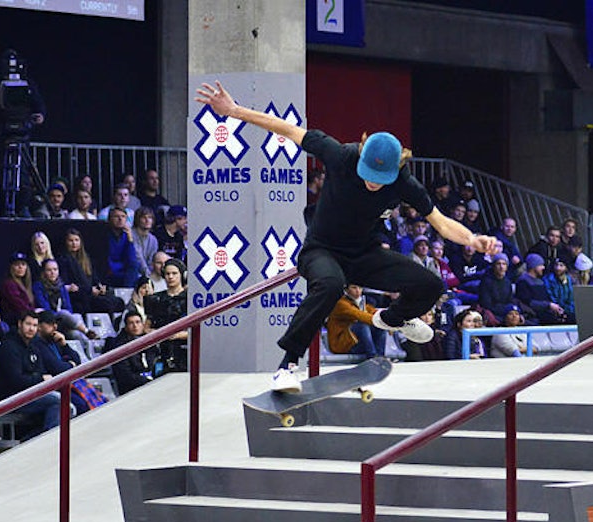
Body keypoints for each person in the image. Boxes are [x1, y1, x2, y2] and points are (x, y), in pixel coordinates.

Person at [195, 80, 499, 392]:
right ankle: (286, 366)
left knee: (431, 285)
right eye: (369, 177)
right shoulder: (340, 155)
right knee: (329, 285)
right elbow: (285, 128)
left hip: (364, 254)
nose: (374, 184)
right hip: (322, 251)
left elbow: (441, 221)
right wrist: (233, 111)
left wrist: (472, 240)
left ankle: (392, 318)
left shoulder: (405, 182)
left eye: (381, 181)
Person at [0, 311, 64, 439]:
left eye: (35, 325)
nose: (31, 328)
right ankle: (49, 443)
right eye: (28, 324)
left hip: (31, 394)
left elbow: (41, 372)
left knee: (68, 405)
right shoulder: (8, 347)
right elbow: (16, 381)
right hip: (11, 398)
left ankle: (31, 441)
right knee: (58, 402)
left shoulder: (33, 347)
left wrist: (40, 378)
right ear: (20, 324)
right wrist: (40, 379)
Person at [33, 309, 106, 414]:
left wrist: (64, 344)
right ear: (39, 326)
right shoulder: (38, 344)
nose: (55, 327)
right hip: (54, 386)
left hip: (67, 382)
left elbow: (77, 359)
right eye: (50, 323)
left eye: (55, 323)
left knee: (96, 399)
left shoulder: (55, 341)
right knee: (82, 405)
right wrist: (71, 365)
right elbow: (57, 368)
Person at [57, 226, 123, 315]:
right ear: (66, 242)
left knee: (119, 301)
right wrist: (90, 290)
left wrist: (100, 286)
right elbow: (70, 285)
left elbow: (94, 277)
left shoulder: (86, 258)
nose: (74, 243)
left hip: (92, 293)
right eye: (71, 240)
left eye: (76, 240)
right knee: (107, 304)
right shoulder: (63, 260)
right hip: (79, 296)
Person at [33, 258, 95, 340]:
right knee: (64, 313)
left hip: (64, 321)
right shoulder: (38, 286)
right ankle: (87, 331)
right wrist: (60, 315)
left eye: (55, 269)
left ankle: (89, 348)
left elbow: (69, 307)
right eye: (49, 270)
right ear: (44, 272)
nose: (53, 272)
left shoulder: (61, 286)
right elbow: (45, 308)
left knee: (76, 333)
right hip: (50, 321)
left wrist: (65, 319)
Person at [143, 258, 188, 372]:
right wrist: (158, 334)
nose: (170, 277)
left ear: (182, 275)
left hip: (185, 350)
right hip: (162, 350)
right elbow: (146, 327)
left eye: (174, 273)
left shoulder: (190, 298)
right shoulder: (156, 299)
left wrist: (179, 335)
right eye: (167, 274)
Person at [325, 284, 387, 359]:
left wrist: (387, 323)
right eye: (354, 288)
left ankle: (380, 357)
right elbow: (359, 315)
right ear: (346, 290)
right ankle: (372, 357)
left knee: (380, 326)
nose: (358, 291)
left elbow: (374, 312)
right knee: (362, 326)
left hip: (357, 343)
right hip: (343, 345)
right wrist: (383, 323)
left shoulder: (361, 302)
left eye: (360, 288)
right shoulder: (341, 303)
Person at [104, 312, 159, 394]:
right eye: (131, 323)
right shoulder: (120, 347)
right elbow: (125, 375)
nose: (135, 326)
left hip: (152, 383)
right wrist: (148, 381)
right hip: (132, 389)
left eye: (138, 322)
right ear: (125, 327)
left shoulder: (150, 343)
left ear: (142, 324)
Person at [515, 253, 566, 325]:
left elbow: (546, 299)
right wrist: (548, 305)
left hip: (545, 312)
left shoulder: (541, 281)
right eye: (541, 265)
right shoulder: (523, 281)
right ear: (534, 266)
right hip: (533, 315)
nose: (543, 267)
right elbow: (528, 302)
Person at [102, 207, 146, 288]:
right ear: (109, 219)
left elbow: (132, 259)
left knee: (135, 265)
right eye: (116, 216)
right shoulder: (103, 235)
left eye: (123, 216)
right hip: (109, 272)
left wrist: (130, 239)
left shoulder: (127, 235)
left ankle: (127, 293)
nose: (120, 219)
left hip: (124, 271)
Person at [0, 251, 37, 326]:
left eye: (23, 264)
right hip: (13, 322)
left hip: (26, 320)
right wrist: (34, 313)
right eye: (17, 265)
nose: (20, 267)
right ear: (11, 267)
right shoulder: (9, 284)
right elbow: (20, 307)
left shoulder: (26, 284)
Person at [542, 257, 577, 323]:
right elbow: (550, 297)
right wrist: (559, 310)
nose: (558, 268)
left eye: (561, 265)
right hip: (553, 310)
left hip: (567, 310)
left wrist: (567, 310)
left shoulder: (569, 280)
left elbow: (571, 299)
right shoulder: (547, 280)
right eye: (556, 265)